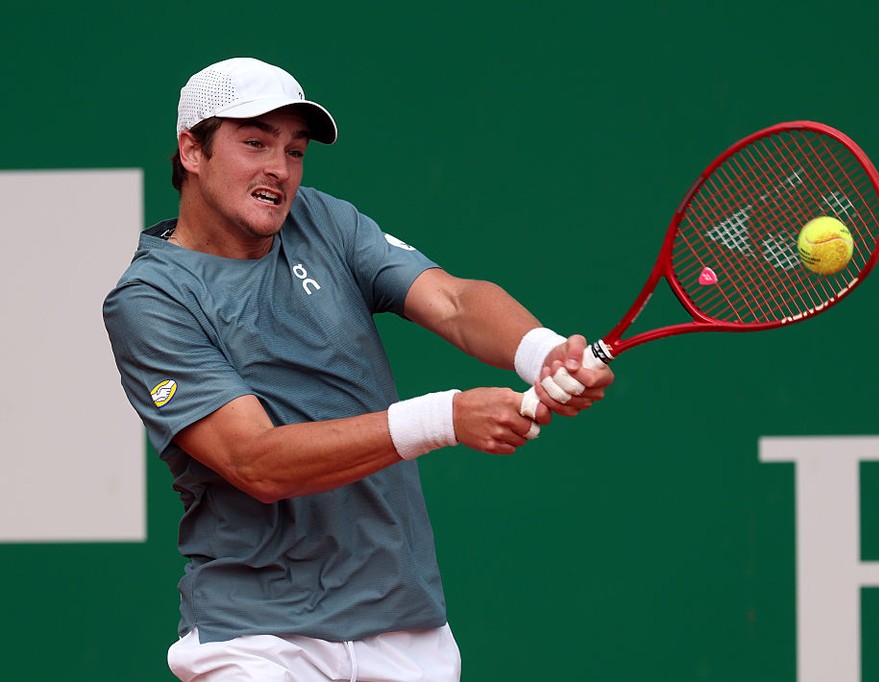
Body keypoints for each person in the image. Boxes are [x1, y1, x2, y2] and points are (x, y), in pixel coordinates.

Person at [103, 57, 613, 682]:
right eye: (255, 143)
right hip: (256, 640)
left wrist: (543, 351)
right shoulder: (151, 301)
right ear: (192, 150)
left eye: (294, 151)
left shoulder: (322, 222)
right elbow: (255, 461)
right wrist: (445, 417)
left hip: (404, 627)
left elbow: (452, 302)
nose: (278, 170)